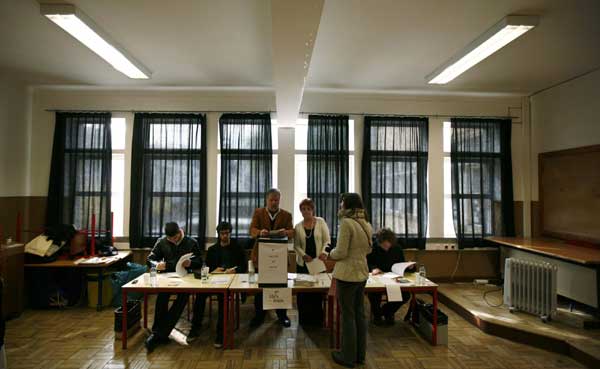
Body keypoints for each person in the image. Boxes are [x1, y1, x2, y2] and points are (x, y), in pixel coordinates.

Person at [325, 193, 372, 368]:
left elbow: (341, 253)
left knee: (348, 316)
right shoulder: (366, 224)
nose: (340, 206)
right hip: (362, 274)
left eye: (342, 203)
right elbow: (368, 250)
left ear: (348, 206)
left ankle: (347, 356)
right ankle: (360, 355)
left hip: (347, 275)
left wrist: (330, 253)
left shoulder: (346, 223)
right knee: (359, 314)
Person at [145, 222, 203, 353]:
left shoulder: (191, 242)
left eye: (175, 238)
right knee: (162, 297)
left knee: (181, 300)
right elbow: (150, 259)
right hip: (168, 278)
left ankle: (157, 335)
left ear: (179, 232)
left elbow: (200, 261)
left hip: (186, 278)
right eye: (170, 239)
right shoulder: (162, 241)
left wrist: (191, 263)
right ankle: (159, 333)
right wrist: (156, 264)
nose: (173, 241)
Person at [187, 221, 247, 348]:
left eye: (227, 233)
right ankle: (195, 328)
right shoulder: (212, 249)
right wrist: (214, 270)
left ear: (230, 233)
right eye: (222, 233)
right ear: (219, 234)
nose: (225, 236)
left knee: (223, 300)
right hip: (215, 280)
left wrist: (235, 269)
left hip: (231, 281)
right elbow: (207, 267)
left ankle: (221, 333)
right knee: (200, 296)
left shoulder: (238, 248)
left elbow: (244, 266)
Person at [249, 188, 294, 328]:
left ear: (279, 200)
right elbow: (252, 230)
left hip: (279, 257)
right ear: (266, 200)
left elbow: (292, 232)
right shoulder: (258, 212)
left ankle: (282, 315)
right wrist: (259, 232)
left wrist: (285, 232)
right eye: (271, 200)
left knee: (281, 286)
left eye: (276, 200)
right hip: (261, 256)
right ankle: (259, 315)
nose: (274, 202)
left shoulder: (286, 215)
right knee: (260, 287)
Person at [293, 198, 330, 325]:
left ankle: (317, 320)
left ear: (313, 210)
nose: (306, 211)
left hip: (318, 263)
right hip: (303, 264)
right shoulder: (297, 227)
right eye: (303, 209)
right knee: (303, 293)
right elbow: (296, 245)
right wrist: (303, 255)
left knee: (317, 291)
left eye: (308, 209)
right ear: (301, 211)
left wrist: (325, 252)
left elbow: (327, 241)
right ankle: (304, 320)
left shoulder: (321, 222)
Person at [367, 228, 412, 326]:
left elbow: (401, 264)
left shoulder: (397, 249)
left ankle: (387, 312)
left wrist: (410, 266)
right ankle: (377, 316)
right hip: (377, 277)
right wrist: (373, 268)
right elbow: (368, 263)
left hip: (393, 278)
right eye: (384, 246)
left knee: (405, 295)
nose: (386, 248)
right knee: (374, 294)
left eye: (388, 245)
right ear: (379, 242)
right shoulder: (373, 248)